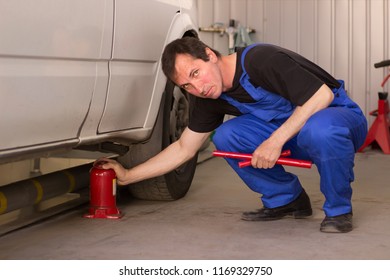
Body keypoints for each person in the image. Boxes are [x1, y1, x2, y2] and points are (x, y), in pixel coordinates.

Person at [97, 37, 367, 233]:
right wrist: (128, 176)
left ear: (209, 55)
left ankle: (338, 209)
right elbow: (184, 148)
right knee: (227, 136)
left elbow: (322, 95)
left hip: (337, 118)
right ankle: (288, 200)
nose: (198, 88)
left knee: (320, 129)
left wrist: (274, 141)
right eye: (187, 85)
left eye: (196, 73)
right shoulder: (207, 97)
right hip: (293, 132)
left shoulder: (260, 60)